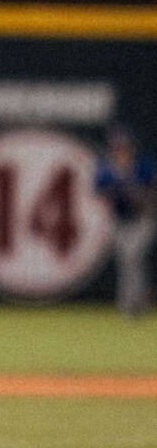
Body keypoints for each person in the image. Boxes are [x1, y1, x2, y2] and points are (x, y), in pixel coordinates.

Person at [97, 124, 157, 318]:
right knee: (127, 262)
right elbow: (100, 191)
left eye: (125, 147)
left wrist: (140, 193)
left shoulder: (143, 166)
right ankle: (132, 303)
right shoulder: (107, 169)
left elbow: (151, 191)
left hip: (143, 219)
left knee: (133, 258)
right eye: (118, 147)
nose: (122, 151)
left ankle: (133, 304)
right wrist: (122, 187)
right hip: (120, 221)